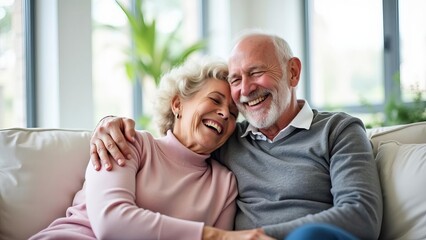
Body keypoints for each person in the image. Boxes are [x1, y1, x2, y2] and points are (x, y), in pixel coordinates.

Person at [90, 31, 383, 239]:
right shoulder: (231, 138)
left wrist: (252, 236)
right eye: (235, 80)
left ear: (292, 72)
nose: (245, 90)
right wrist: (108, 123)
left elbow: (361, 216)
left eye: (256, 73)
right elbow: (180, 144)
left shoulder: (339, 130)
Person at [31, 58, 273, 240]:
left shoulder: (224, 184)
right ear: (178, 104)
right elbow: (111, 223)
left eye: (233, 114)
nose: (224, 114)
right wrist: (215, 236)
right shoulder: (130, 142)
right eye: (215, 100)